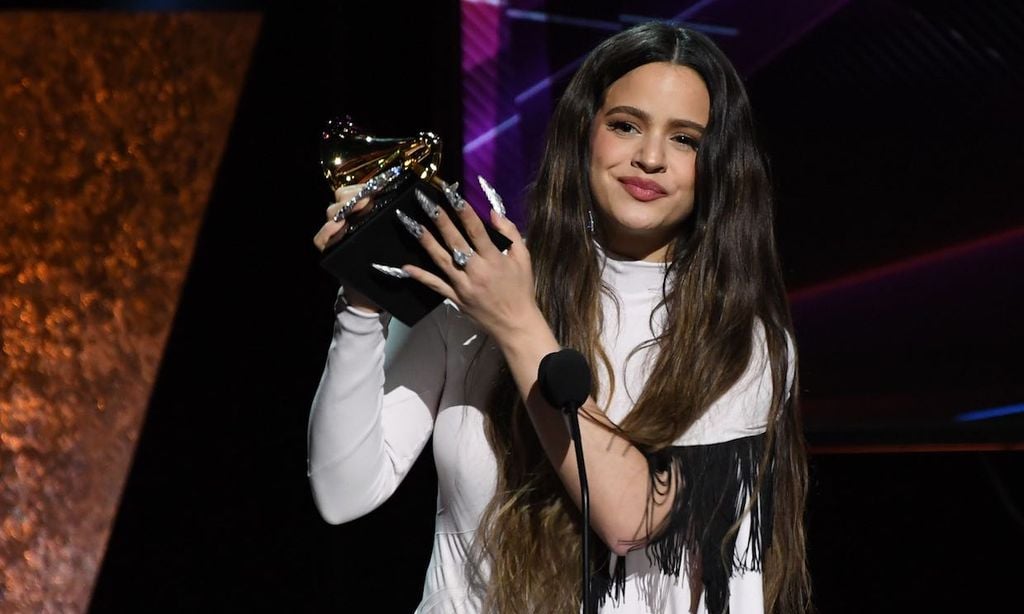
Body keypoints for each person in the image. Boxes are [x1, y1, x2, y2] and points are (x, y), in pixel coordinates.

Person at [308, 22, 810, 614]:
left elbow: (632, 518)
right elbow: (344, 491)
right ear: (584, 133)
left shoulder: (740, 340)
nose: (649, 158)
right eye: (625, 125)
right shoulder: (480, 288)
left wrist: (516, 323)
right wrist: (364, 295)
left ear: (720, 165)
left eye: (685, 140)